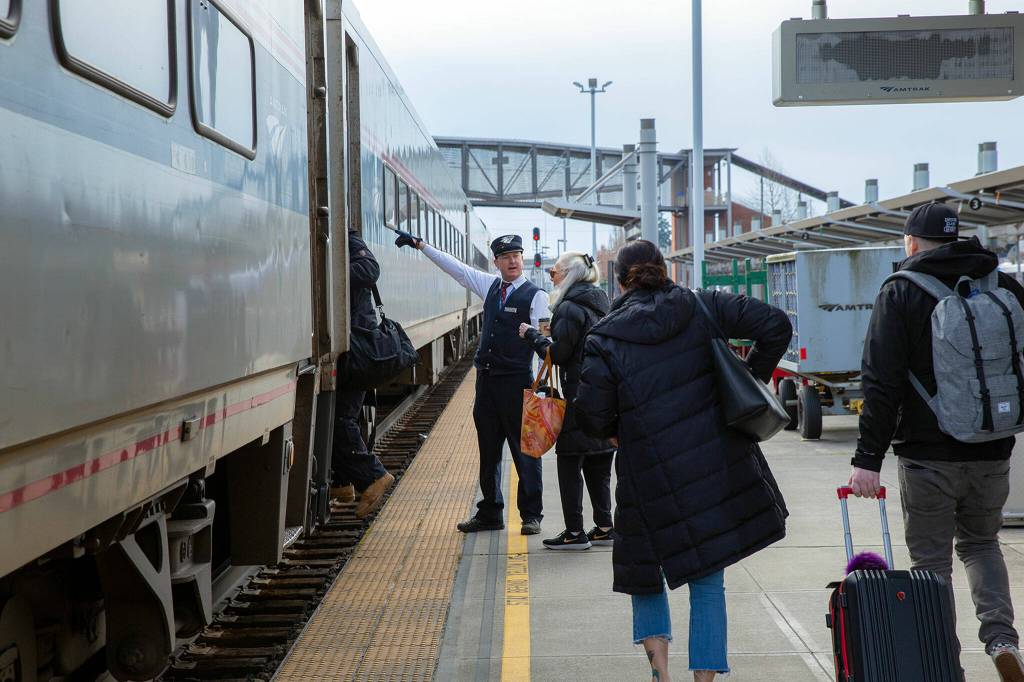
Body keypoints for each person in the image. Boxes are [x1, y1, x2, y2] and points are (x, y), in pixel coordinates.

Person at [574, 240, 791, 682]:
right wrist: (749, 381)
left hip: (645, 473)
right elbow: (776, 324)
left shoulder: (606, 335)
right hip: (712, 465)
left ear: (619, 282)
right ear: (665, 270)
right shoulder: (704, 305)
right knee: (708, 578)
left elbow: (591, 412)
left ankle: (661, 676)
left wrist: (618, 429)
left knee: (645, 574)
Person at [849, 202, 1024, 682]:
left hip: (928, 455)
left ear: (911, 242)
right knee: (982, 545)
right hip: (993, 448)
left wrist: (867, 459)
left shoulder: (901, 292)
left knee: (931, 565)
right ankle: (1003, 640)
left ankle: (943, 662)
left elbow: (880, 382)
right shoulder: (1003, 284)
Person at [394, 229, 548, 535]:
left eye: (516, 256)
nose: (512, 261)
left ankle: (531, 514)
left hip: (517, 383)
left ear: (522, 258)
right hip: (487, 383)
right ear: (497, 262)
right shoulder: (491, 286)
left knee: (525, 450)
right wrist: (422, 245)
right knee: (488, 448)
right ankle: (490, 511)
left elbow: (546, 341)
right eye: (505, 257)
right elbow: (458, 269)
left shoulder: (537, 296)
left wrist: (544, 383)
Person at [517, 252, 615, 550]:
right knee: (599, 462)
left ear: (570, 274)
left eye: (554, 271)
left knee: (570, 462)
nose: (551, 276)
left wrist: (533, 336)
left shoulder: (570, 308)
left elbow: (559, 354)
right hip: (605, 394)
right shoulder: (603, 303)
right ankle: (604, 526)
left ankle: (574, 532)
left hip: (578, 394)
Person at [330, 230, 395, 519]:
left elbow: (370, 269)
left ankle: (375, 476)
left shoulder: (348, 236)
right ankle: (341, 483)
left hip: (358, 342)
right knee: (341, 416)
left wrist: (326, 268)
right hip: (347, 343)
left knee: (342, 418)